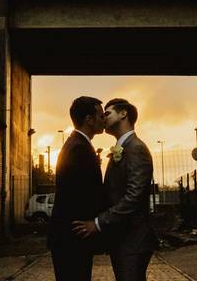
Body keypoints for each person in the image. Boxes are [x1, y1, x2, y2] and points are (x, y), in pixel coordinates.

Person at [72, 98, 157, 281]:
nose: (103, 117)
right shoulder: (122, 147)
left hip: (134, 241)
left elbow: (133, 197)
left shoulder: (136, 148)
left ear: (123, 114)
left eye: (108, 113)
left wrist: (98, 223)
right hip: (123, 239)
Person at [47, 95, 108, 281]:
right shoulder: (79, 148)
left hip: (69, 237)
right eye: (101, 116)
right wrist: (97, 223)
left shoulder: (77, 144)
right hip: (72, 238)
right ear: (89, 120)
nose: (104, 120)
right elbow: (84, 195)